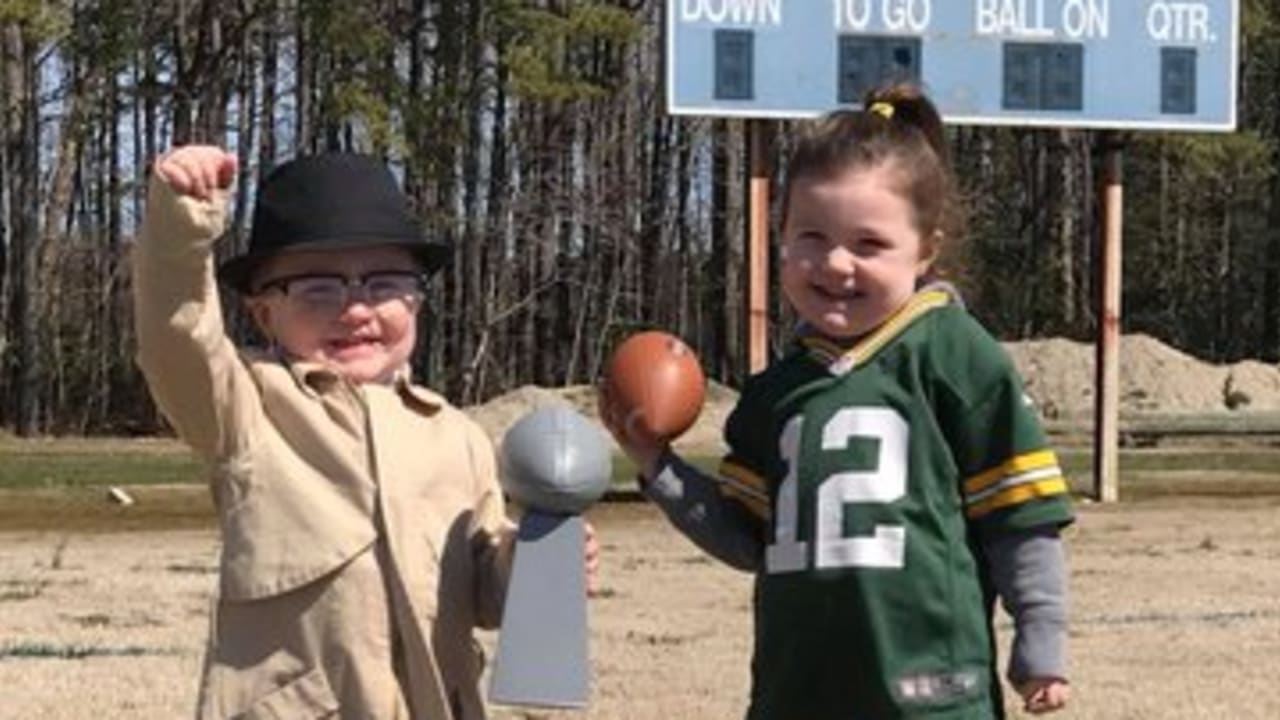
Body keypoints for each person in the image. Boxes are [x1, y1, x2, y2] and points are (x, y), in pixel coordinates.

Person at [600, 84, 1073, 719]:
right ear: (782, 235)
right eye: (812, 236)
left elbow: (1020, 518)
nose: (836, 263)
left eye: (869, 244)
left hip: (929, 698)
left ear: (925, 249)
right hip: (799, 695)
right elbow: (748, 542)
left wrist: (1041, 641)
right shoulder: (775, 391)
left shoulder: (954, 353)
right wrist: (658, 465)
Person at [134, 146, 595, 719]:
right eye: (318, 288)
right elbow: (176, 337)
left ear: (417, 300)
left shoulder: (458, 437)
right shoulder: (246, 407)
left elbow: (483, 596)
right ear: (261, 314)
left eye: (383, 284)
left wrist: (530, 561)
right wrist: (181, 224)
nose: (355, 309)